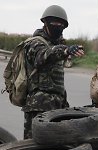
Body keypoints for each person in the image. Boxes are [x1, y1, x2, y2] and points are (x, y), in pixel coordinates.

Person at [22, 5, 85, 139]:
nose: (58, 25)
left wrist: (64, 104)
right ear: (45, 22)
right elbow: (42, 56)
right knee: (34, 147)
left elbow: (55, 81)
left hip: (58, 105)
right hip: (38, 106)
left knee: (58, 147)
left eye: (61, 23)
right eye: (54, 22)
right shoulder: (35, 43)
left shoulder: (56, 44)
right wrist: (65, 50)